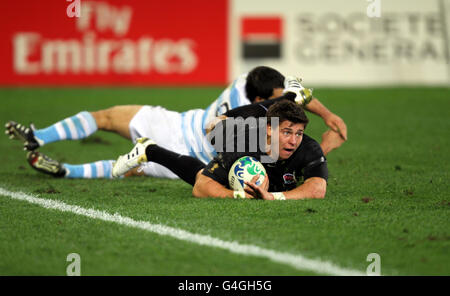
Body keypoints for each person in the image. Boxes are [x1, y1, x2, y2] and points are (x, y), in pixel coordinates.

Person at [5, 66, 346, 179]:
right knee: (131, 168)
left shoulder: (247, 78)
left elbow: (295, 91)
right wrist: (328, 120)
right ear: (262, 101)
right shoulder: (258, 116)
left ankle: (40, 137)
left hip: (178, 123)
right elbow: (296, 102)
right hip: (198, 156)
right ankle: (68, 171)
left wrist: (328, 114)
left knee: (105, 118)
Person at [111, 100, 328, 200]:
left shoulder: (307, 147)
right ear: (270, 129)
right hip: (223, 131)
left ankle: (149, 149)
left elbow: (317, 189)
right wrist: (237, 195)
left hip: (254, 127)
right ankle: (150, 151)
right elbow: (201, 187)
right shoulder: (240, 146)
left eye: (298, 133)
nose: (293, 141)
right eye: (287, 132)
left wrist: (275, 198)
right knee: (203, 173)